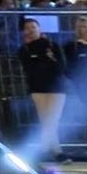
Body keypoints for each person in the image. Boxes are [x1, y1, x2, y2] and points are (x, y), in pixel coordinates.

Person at [18, 17, 64, 160]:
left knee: (52, 119)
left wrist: (43, 61)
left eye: (33, 27)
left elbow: (60, 65)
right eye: (27, 28)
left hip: (56, 86)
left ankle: (44, 150)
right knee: (46, 120)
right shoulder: (24, 49)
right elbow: (30, 69)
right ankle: (56, 152)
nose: (31, 30)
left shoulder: (52, 45)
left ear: (39, 28)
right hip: (37, 87)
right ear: (23, 32)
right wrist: (45, 60)